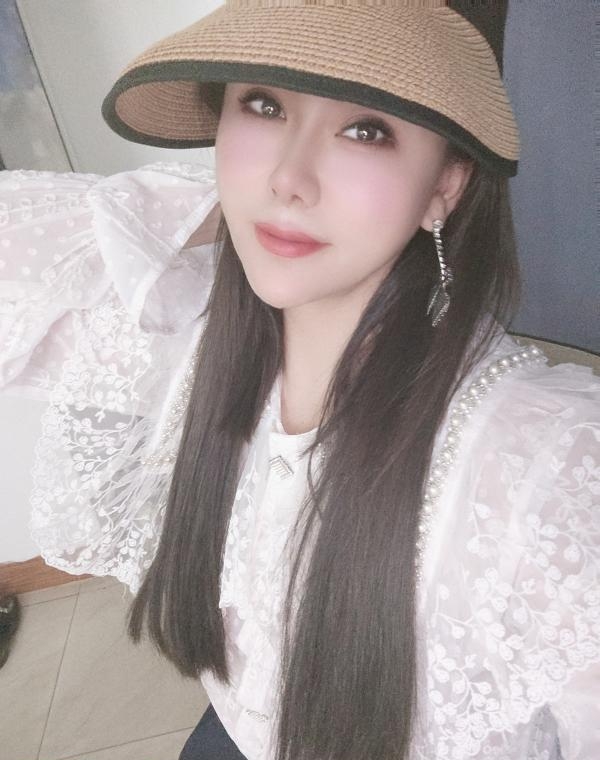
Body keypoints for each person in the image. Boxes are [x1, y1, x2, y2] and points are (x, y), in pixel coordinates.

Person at [1, 1, 598, 759]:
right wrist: (217, 207)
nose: (289, 177)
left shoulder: (546, 468)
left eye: (366, 129)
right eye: (263, 105)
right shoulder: (172, 342)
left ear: (445, 186)